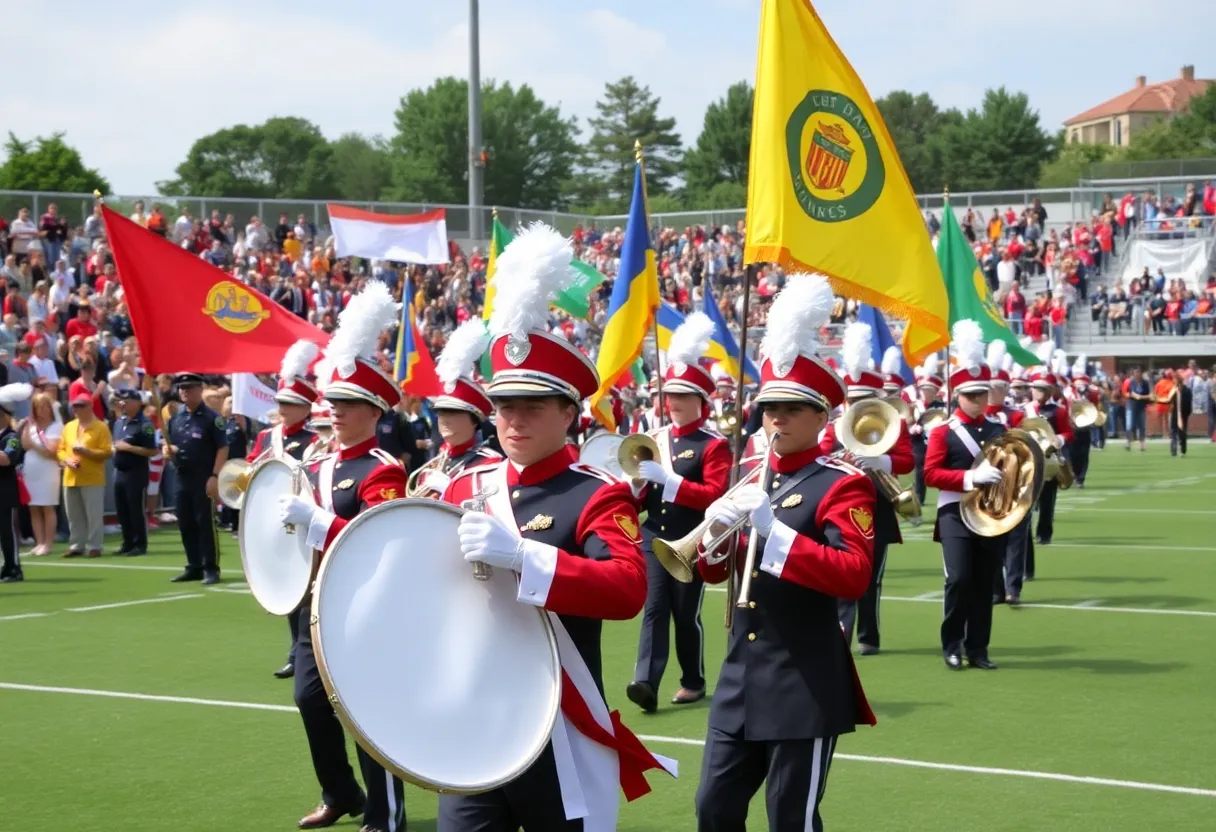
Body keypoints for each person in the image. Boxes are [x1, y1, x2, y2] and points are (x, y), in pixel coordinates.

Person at [437, 224, 674, 831]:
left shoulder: (595, 495)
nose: (514, 419)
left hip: (556, 717)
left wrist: (525, 557)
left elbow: (626, 590)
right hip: (475, 713)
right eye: (505, 406)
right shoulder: (465, 488)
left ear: (570, 413)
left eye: (533, 406)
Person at [693, 274, 876, 832]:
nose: (776, 418)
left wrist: (778, 537)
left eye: (792, 408)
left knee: (789, 820)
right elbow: (711, 569)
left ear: (823, 417)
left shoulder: (841, 484)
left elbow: (853, 577)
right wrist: (711, 534)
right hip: (739, 679)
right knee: (713, 810)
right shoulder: (748, 474)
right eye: (770, 407)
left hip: (803, 682)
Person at [276, 283, 408, 832]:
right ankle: (341, 792)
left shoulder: (383, 468)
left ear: (373, 411)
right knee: (310, 699)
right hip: (315, 601)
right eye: (332, 402)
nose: (333, 411)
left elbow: (377, 540)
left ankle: (385, 814)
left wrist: (320, 522)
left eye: (346, 404)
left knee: (368, 712)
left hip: (363, 603)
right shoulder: (316, 461)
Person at [627, 312, 731, 712]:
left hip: (693, 536)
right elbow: (639, 501)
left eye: (683, 396)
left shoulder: (712, 445)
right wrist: (636, 486)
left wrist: (670, 482)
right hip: (654, 535)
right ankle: (646, 682)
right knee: (655, 609)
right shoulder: (652, 439)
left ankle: (693, 679)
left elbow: (714, 494)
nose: (673, 403)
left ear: (700, 402)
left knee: (685, 614)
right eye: (670, 396)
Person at [819, 323, 914, 655]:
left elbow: (907, 461)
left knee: (872, 579)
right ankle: (842, 633)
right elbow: (821, 458)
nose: (857, 407)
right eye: (852, 400)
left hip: (879, 503)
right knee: (842, 572)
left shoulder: (894, 425)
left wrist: (881, 462)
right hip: (843, 507)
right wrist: (841, 457)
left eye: (864, 399)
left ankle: (869, 635)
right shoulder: (834, 426)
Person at [923, 321, 1007, 670]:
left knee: (984, 583)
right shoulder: (943, 431)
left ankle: (978, 648)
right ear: (957, 395)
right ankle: (952, 644)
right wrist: (971, 477)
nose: (977, 401)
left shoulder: (999, 429)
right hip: (955, 511)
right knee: (959, 579)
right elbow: (930, 474)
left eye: (982, 394)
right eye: (970, 395)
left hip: (989, 514)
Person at [252, 340, 323, 680]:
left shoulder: (315, 440)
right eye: (280, 401)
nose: (283, 408)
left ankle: (303, 653)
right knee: (284, 582)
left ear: (306, 407)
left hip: (304, 517)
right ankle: (296, 649)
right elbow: (253, 472)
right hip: (273, 516)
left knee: (303, 587)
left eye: (291, 403)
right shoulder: (267, 437)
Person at [413, 319, 503, 498]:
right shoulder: (437, 461)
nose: (445, 418)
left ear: (473, 421)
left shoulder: (490, 464)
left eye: (453, 412)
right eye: (441, 412)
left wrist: (451, 492)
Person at [164, 373, 228, 584]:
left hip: (204, 475)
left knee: (205, 523)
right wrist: (168, 450)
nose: (185, 391)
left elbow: (222, 447)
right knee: (185, 521)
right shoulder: (177, 416)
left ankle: (211, 567)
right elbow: (173, 444)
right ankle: (194, 565)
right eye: (182, 388)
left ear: (200, 389)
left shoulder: (211, 418)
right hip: (182, 475)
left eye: (190, 387)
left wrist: (215, 476)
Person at [982, 344, 1029, 605]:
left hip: (1017, 483)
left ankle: (1014, 588)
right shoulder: (980, 419)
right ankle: (996, 589)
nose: (992, 392)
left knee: (1016, 540)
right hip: (989, 486)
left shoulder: (1018, 415)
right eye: (989, 388)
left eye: (998, 388)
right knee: (992, 539)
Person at [58, 393, 114, 559]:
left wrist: (87, 452)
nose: (76, 409)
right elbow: (60, 449)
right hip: (71, 475)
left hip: (92, 476)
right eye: (74, 406)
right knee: (73, 514)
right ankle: (77, 544)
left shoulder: (101, 427)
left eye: (81, 406)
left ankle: (95, 545)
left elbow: (106, 452)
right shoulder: (68, 427)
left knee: (93, 514)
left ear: (90, 407)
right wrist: (66, 459)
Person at [1026, 358, 1073, 551]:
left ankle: (1045, 533)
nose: (1039, 392)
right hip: (1029, 459)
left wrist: (1058, 440)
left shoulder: (1059, 411)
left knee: (1047, 501)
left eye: (1044, 388)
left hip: (1050, 459)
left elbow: (1068, 432)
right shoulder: (1025, 410)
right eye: (1036, 388)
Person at [111, 389, 157, 555]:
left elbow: (152, 451)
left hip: (136, 472)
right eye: (121, 401)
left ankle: (139, 544)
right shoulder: (119, 422)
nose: (123, 404)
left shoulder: (144, 424)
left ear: (137, 403)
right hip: (119, 471)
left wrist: (130, 448)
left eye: (127, 401)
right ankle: (127, 542)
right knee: (122, 509)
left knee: (135, 509)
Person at [20, 391, 62, 557]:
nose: (42, 410)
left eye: (45, 406)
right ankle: (39, 542)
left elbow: (51, 451)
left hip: (48, 470)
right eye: (38, 407)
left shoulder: (56, 426)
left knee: (47, 507)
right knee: (34, 507)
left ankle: (48, 543)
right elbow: (24, 445)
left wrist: (34, 445)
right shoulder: (31, 425)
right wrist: (26, 429)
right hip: (31, 470)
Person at [0, 384, 32, 582]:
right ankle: (5, 566)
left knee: (7, 531)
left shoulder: (11, 437)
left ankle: (14, 567)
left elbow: (7, 459)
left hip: (5, 491)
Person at [906, 354, 944, 506]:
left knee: (941, 470)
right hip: (919, 442)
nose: (925, 392)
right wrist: (912, 428)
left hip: (938, 442)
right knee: (919, 472)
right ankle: (919, 500)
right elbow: (907, 422)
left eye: (929, 390)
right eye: (923, 389)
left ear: (935, 391)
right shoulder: (914, 406)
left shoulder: (942, 407)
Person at [1065, 356, 1100, 487]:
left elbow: (1094, 407)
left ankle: (1081, 478)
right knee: (1073, 453)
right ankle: (1074, 474)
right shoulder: (1068, 392)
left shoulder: (1091, 393)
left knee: (1084, 453)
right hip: (1072, 426)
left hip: (1085, 427)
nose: (1081, 386)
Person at [1125, 366, 1151, 451]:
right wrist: (1135, 396)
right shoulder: (1130, 382)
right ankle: (1128, 442)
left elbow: (1149, 396)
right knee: (1130, 425)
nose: (1137, 374)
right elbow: (1129, 393)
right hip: (1131, 405)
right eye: (1136, 372)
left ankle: (1142, 445)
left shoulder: (1145, 383)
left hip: (1141, 406)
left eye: (1139, 372)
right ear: (1133, 374)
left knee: (1142, 425)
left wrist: (1140, 397)